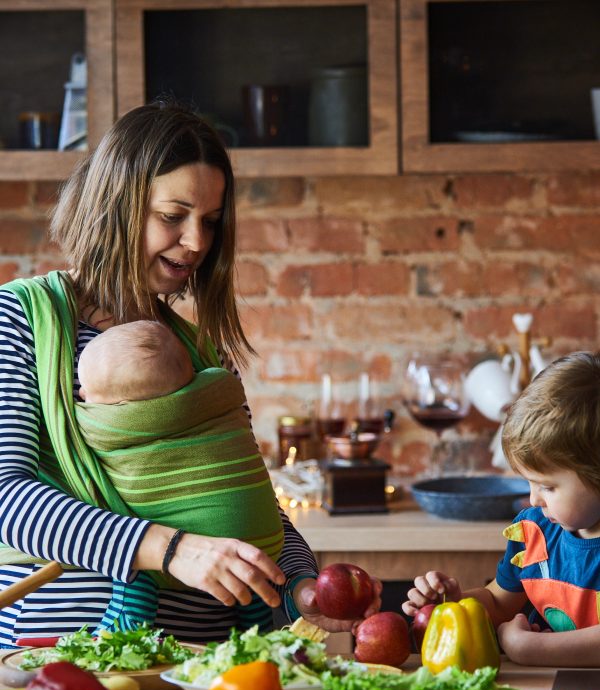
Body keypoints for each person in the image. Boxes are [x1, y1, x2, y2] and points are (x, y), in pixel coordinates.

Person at [0, 100, 381, 648]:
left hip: (207, 665)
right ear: (119, 205)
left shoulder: (201, 352)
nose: (197, 242)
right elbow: (7, 499)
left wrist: (299, 584)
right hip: (67, 655)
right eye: (172, 216)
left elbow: (248, 499)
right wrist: (172, 549)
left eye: (210, 221)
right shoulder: (22, 320)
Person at [76, 318, 285, 633]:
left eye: (88, 392)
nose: (81, 394)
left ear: (122, 407)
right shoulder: (218, 390)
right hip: (261, 545)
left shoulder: (113, 425)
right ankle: (258, 631)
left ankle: (125, 629)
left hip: (172, 567)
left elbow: (82, 430)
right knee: (252, 597)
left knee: (134, 571)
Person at [403, 351, 600, 667]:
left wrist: (529, 649)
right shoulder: (535, 531)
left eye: (548, 486)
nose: (534, 499)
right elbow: (497, 603)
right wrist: (456, 602)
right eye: (529, 483)